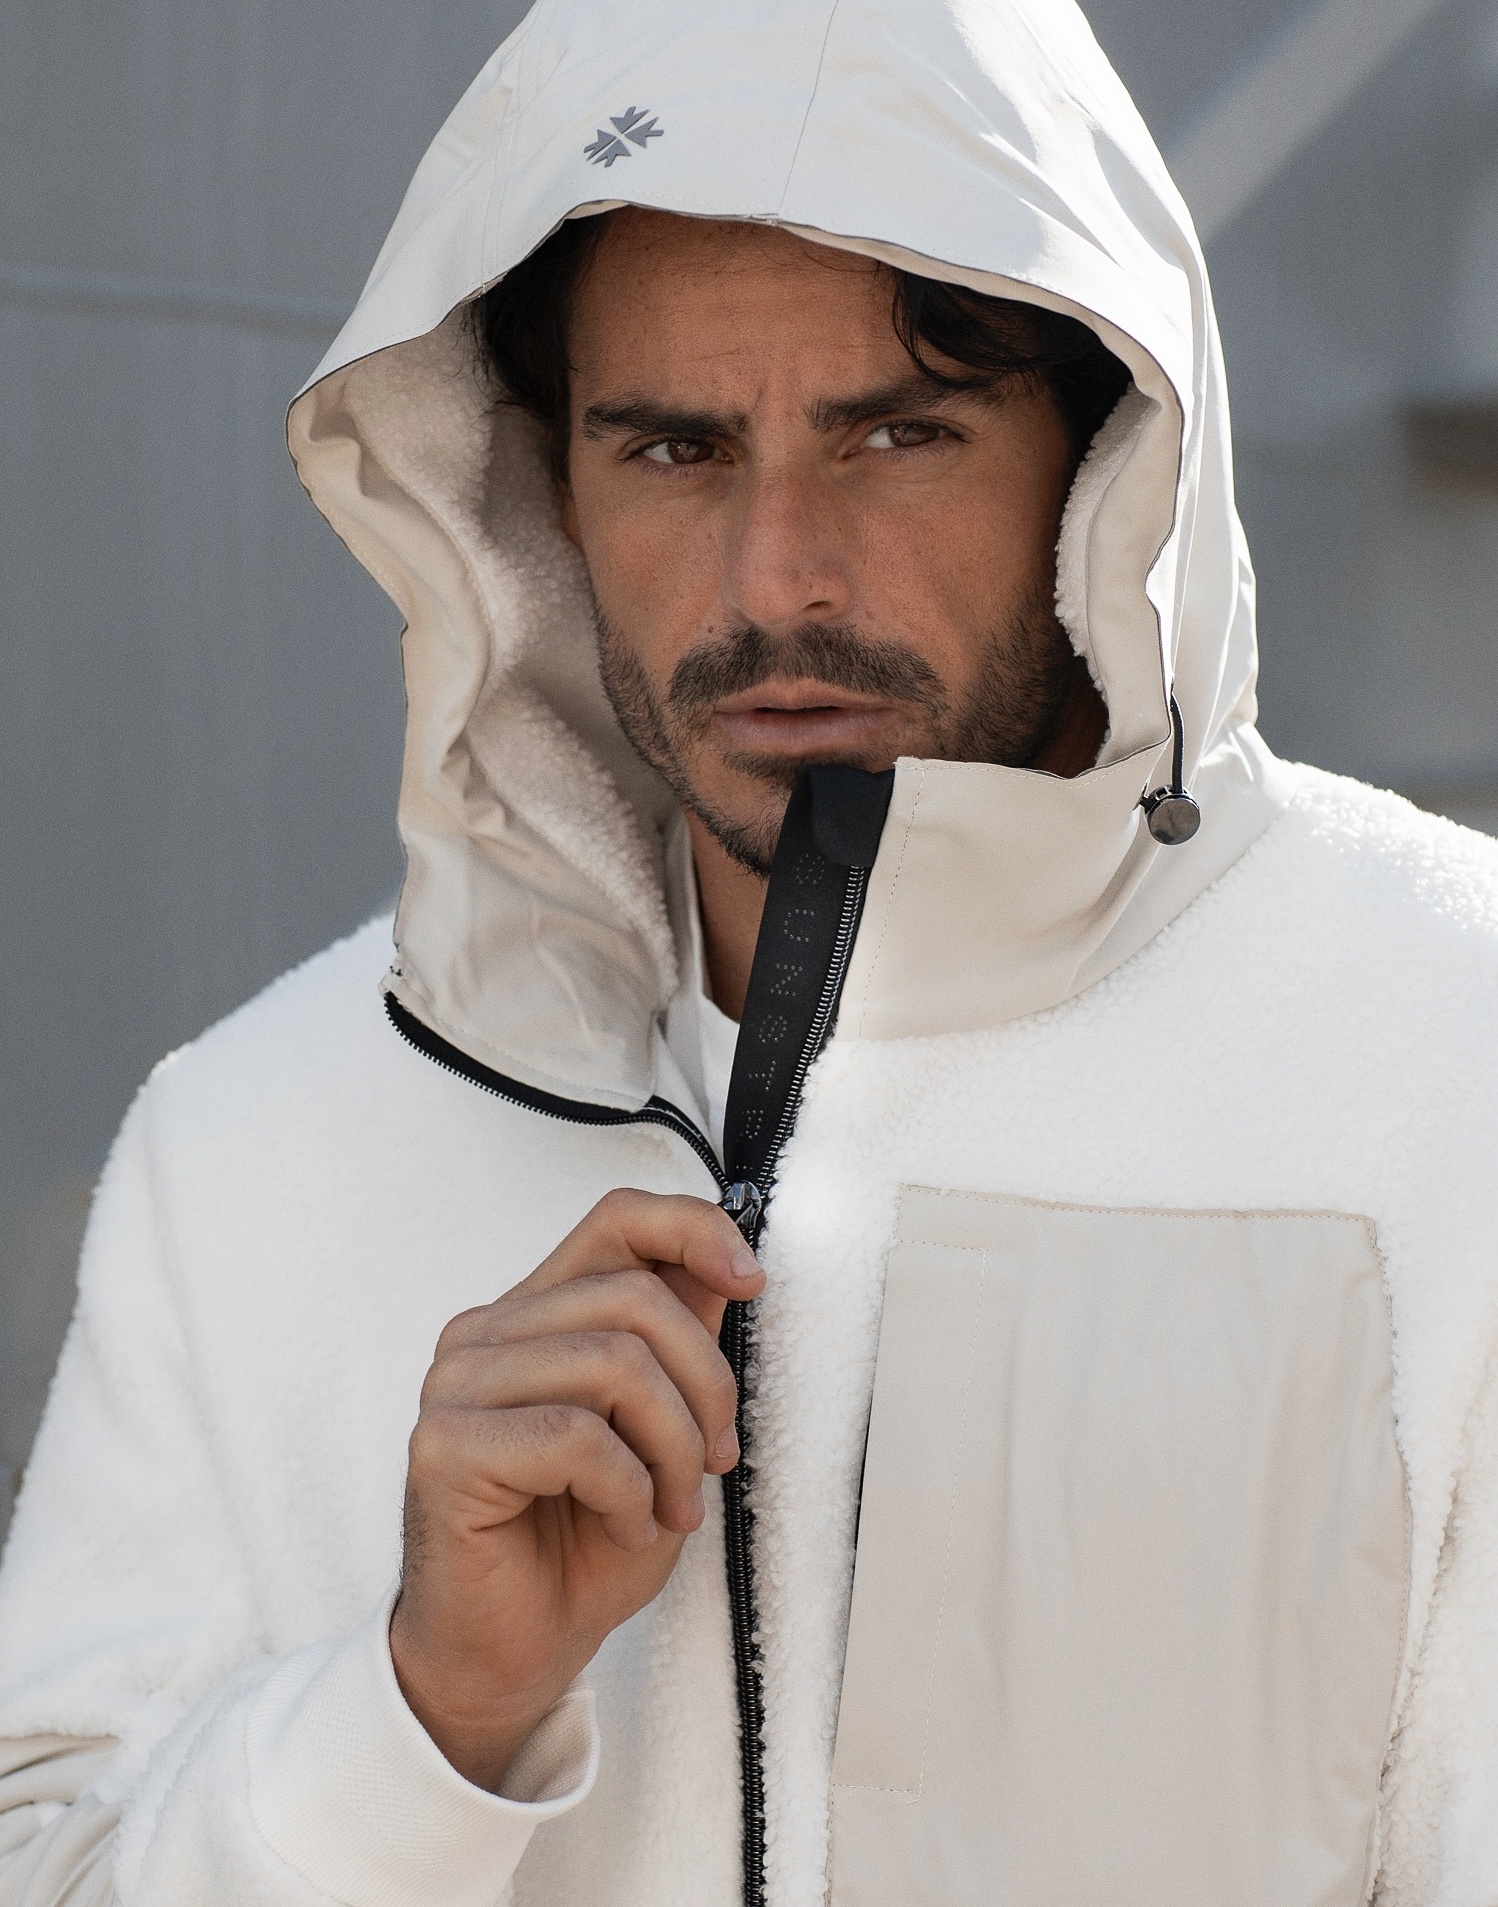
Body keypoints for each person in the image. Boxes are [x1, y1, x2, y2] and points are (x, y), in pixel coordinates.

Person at [3, 0, 1498, 1901]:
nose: (777, 573)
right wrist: (423, 1716)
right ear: (539, 493)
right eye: (674, 448)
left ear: (1101, 463)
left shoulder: (1448, 1052)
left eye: (898, 433)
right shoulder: (252, 1147)